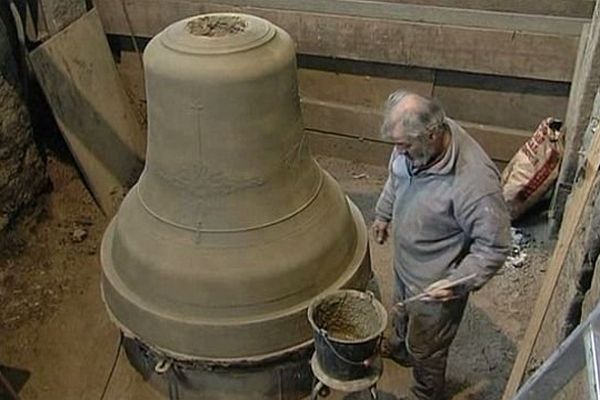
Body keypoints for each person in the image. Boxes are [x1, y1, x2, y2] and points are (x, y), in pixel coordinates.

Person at [372, 91, 510, 400]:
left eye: (403, 145)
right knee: (402, 313)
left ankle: (425, 392)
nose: (397, 152)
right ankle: (399, 348)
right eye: (396, 144)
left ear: (432, 135)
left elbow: (494, 247)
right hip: (407, 265)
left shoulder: (474, 183)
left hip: (436, 285)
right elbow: (395, 178)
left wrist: (456, 283)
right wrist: (383, 213)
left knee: (428, 347)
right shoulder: (413, 148)